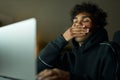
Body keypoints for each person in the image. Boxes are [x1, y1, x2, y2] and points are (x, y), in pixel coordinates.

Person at [36, 2, 116, 80]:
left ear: (97, 26)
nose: (77, 24)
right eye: (75, 21)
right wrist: (62, 39)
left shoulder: (108, 50)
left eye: (85, 20)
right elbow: (36, 69)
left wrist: (69, 77)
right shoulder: (69, 57)